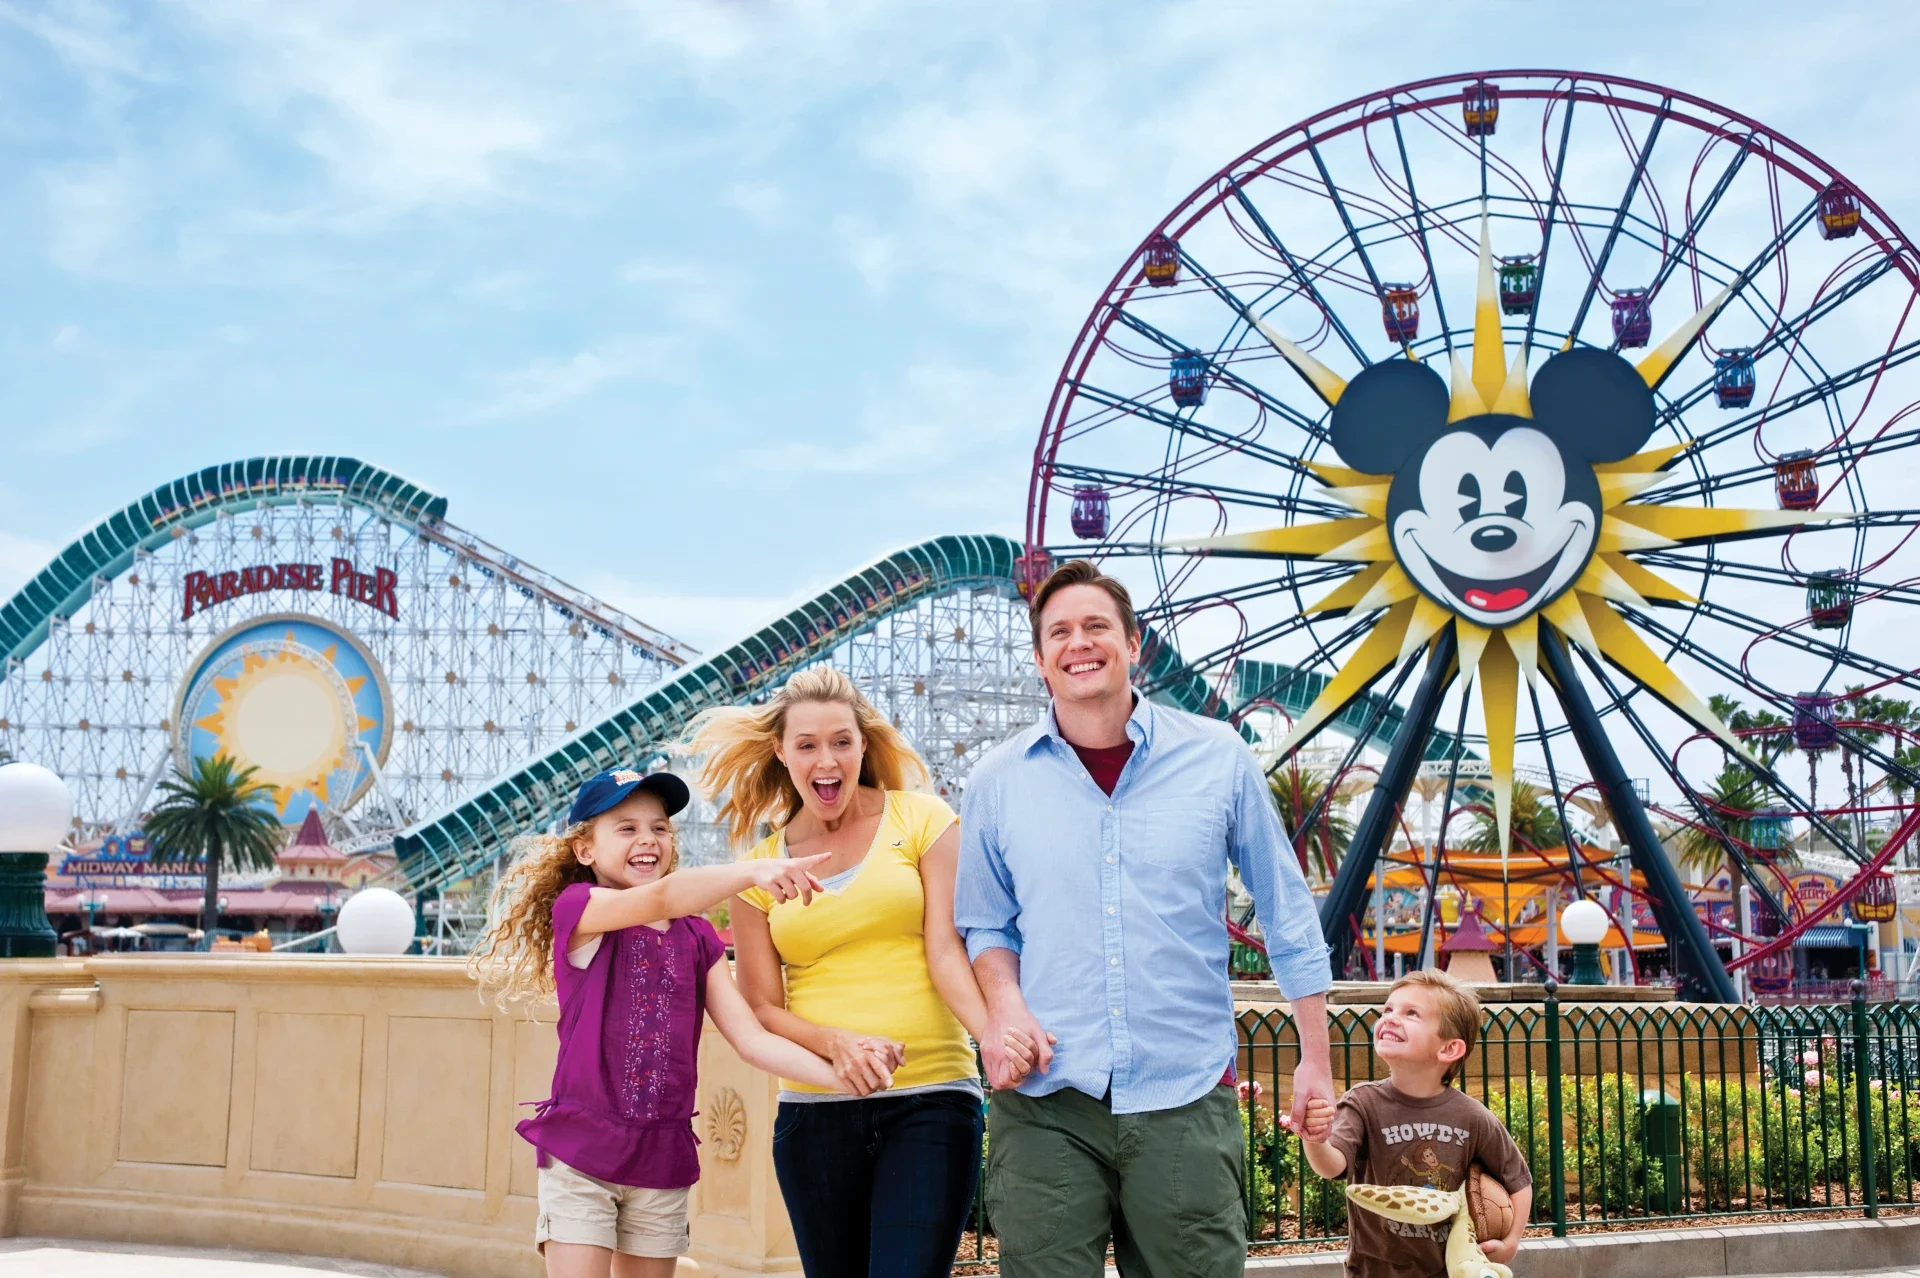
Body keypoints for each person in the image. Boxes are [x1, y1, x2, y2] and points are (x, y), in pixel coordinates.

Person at [955, 557, 1337, 1277]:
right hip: (1047, 1096)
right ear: (1039, 659)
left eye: (1096, 626)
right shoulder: (996, 781)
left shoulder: (1218, 757)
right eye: (1059, 632)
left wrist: (1315, 1059)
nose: (1079, 643)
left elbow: (1287, 910)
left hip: (1184, 1089)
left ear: (1133, 644)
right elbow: (986, 922)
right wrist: (1004, 1006)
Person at [689, 666, 1037, 1278]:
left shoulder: (923, 820)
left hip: (932, 1097)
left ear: (863, 745)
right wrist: (835, 1045)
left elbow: (946, 952)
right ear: (781, 752)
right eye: (807, 745)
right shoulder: (760, 870)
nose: (826, 760)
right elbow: (762, 1008)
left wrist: (992, 1036)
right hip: (814, 1111)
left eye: (841, 742)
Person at [470, 766, 848, 1278]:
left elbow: (752, 1039)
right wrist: (754, 871)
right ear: (585, 850)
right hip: (582, 1152)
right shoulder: (579, 909)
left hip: (661, 1158)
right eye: (626, 828)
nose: (648, 839)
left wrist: (844, 1078)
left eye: (660, 827)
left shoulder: (697, 937)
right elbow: (663, 897)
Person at [1298, 970, 1532, 1278]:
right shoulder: (1363, 1103)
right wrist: (1315, 1137)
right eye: (1388, 1009)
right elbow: (1331, 1166)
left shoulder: (1472, 1117)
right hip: (1372, 1272)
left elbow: (1518, 1181)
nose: (1391, 1018)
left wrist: (1511, 1242)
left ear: (1449, 1049)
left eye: (1411, 1013)